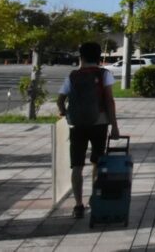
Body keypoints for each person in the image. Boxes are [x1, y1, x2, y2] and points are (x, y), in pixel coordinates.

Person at [56, 41, 120, 219]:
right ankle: (94, 197)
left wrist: (65, 113)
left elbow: (60, 100)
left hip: (77, 125)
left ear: (81, 57)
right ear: (99, 57)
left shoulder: (73, 76)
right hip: (99, 123)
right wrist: (114, 126)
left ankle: (78, 205)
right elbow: (109, 101)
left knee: (77, 166)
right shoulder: (104, 74)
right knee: (97, 162)